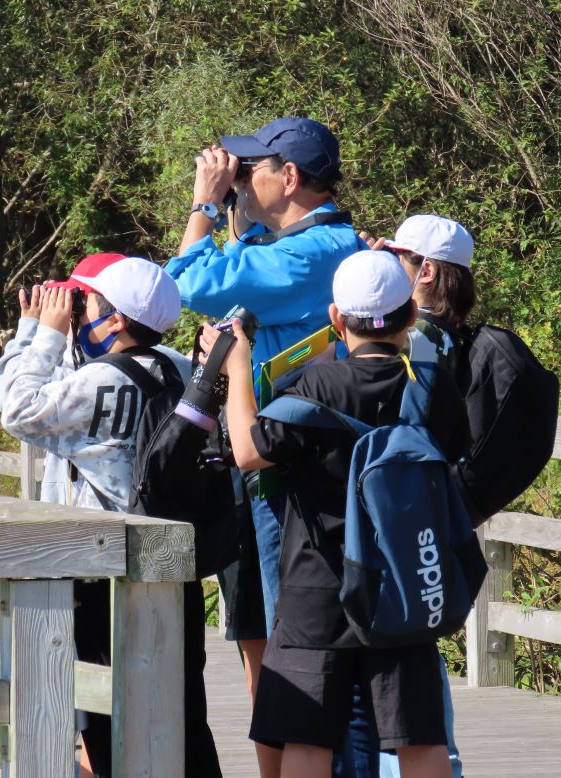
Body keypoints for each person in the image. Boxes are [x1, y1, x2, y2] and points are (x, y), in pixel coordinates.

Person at [202, 249, 468, 778]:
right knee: (419, 735)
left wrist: (236, 366)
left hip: (315, 585)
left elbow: (250, 451)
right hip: (401, 582)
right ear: (410, 317)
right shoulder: (430, 388)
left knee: (308, 736)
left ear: (335, 319)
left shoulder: (316, 387)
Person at [166, 116, 367, 777]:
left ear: (289, 177)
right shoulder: (297, 245)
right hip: (273, 458)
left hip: (289, 467)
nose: (239, 177)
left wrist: (202, 203)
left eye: (253, 168)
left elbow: (187, 287)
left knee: (298, 637)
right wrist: (235, 208)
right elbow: (232, 262)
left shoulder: (311, 255)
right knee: (278, 633)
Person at [0, 252, 221, 778]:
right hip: (173, 565)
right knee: (183, 715)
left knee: (109, 716)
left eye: (86, 302)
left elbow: (18, 409)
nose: (76, 310)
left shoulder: (96, 383)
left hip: (102, 570)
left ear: (114, 318)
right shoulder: (183, 371)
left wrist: (38, 333)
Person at [363, 214, 477, 778]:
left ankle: (435, 766)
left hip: (400, 508)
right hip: (424, 506)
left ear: (425, 271)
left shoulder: (421, 338)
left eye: (396, 259)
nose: (385, 267)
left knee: (406, 650)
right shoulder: (449, 333)